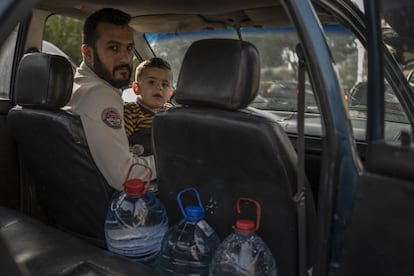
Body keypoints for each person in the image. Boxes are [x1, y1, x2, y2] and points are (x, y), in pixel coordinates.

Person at [67, 8, 155, 191]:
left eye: (129, 48)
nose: (125, 58)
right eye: (113, 47)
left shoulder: (78, 85)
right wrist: (173, 159)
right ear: (88, 53)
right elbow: (125, 176)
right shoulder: (100, 95)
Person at [124, 57, 174, 156]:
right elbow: (120, 143)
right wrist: (132, 151)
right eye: (152, 82)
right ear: (136, 88)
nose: (159, 87)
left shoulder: (172, 112)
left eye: (164, 84)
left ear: (170, 94)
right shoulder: (131, 111)